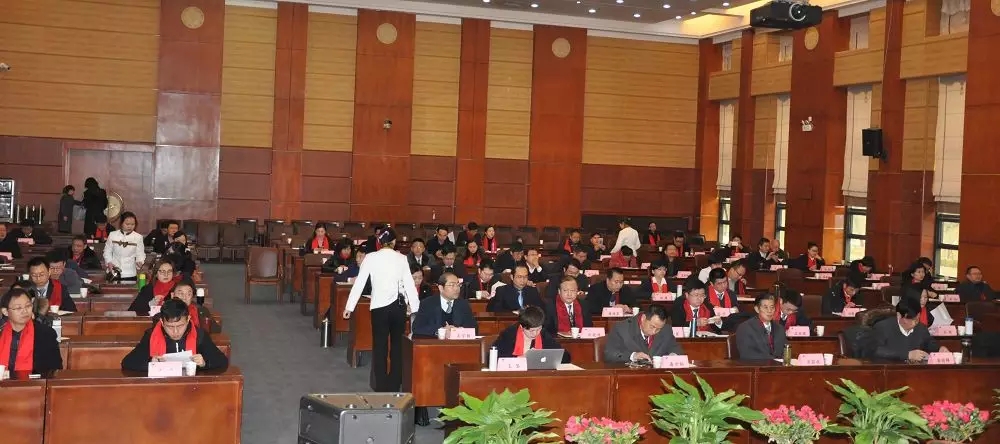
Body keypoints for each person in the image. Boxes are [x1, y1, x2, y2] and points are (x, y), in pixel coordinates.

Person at [342, 229, 420, 392]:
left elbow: (359, 283)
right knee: (397, 346)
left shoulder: (370, 257)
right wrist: (415, 308)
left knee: (380, 346)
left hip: (379, 307)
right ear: (394, 242)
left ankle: (380, 385)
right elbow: (409, 285)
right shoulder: (401, 258)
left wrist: (349, 306)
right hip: (398, 307)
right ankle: (395, 383)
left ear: (380, 242)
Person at [121, 298, 228, 372]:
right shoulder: (151, 335)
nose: (176, 332)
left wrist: (204, 363)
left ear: (188, 319)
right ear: (162, 322)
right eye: (170, 327)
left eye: (180, 326)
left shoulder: (199, 335)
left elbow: (222, 361)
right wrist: (150, 363)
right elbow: (127, 363)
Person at [0, 289, 63, 374]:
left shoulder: (45, 334)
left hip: (35, 381)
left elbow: (55, 368)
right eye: (18, 308)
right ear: (5, 311)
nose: (25, 311)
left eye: (28, 306)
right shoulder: (1, 333)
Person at [872, 297, 948, 362]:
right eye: (911, 319)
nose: (914, 323)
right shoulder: (883, 327)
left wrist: (939, 349)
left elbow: (929, 343)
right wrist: (907, 355)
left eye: (917, 319)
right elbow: (875, 350)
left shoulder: (921, 328)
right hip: (890, 370)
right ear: (899, 315)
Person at [604, 304, 682, 363]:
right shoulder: (622, 328)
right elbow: (610, 354)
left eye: (658, 329)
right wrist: (633, 356)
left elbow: (675, 348)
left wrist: (673, 355)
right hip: (630, 375)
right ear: (643, 318)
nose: (654, 332)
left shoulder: (666, 329)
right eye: (652, 327)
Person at [492, 306, 570, 363]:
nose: (535, 333)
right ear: (522, 327)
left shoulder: (543, 334)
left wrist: (547, 356)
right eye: (531, 331)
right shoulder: (509, 334)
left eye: (538, 329)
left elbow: (565, 357)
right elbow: (494, 358)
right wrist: (519, 359)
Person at [412, 272, 478, 337]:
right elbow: (417, 328)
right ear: (441, 288)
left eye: (458, 285)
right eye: (452, 285)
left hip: (457, 343)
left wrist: (457, 331)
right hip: (435, 343)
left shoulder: (463, 304)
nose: (456, 288)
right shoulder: (428, 303)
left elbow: (474, 328)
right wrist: (441, 331)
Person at [734, 294, 787, 361]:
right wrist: (773, 360)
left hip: (778, 366)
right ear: (757, 309)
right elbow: (747, 354)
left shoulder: (780, 328)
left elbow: (786, 350)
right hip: (756, 366)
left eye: (772, 307)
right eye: (765, 307)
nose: (769, 311)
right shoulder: (745, 328)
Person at [103, 211, 146, 281]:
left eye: (133, 224)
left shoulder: (138, 237)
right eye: (127, 224)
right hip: (114, 271)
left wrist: (140, 261)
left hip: (130, 273)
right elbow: (107, 251)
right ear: (121, 223)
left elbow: (140, 253)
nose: (130, 226)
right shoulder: (113, 235)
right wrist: (109, 262)